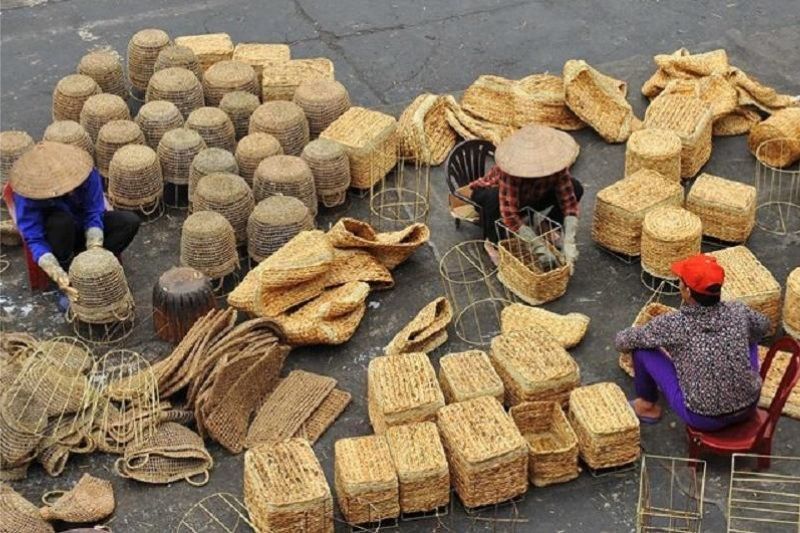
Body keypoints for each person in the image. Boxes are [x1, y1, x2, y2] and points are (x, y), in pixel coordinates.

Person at [615, 254, 770, 431]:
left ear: (687, 291)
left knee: (641, 350)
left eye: (680, 281)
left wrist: (622, 338)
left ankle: (647, 405)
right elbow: (763, 326)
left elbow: (624, 341)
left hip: (704, 418)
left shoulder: (674, 324)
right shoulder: (738, 311)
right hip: (749, 406)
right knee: (751, 333)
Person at [9, 141, 140, 310]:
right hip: (58, 238)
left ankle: (96, 268)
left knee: (129, 222)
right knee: (61, 221)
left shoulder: (86, 173)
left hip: (84, 228)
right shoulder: (29, 194)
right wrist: (54, 269)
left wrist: (95, 246)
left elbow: (94, 211)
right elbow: (34, 238)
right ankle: (68, 276)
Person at [468, 125, 583, 269]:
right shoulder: (511, 170)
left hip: (530, 196)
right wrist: (537, 246)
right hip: (496, 197)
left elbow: (569, 202)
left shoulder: (555, 166)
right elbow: (509, 214)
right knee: (492, 199)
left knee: (576, 186)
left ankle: (547, 227)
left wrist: (569, 241)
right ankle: (492, 243)